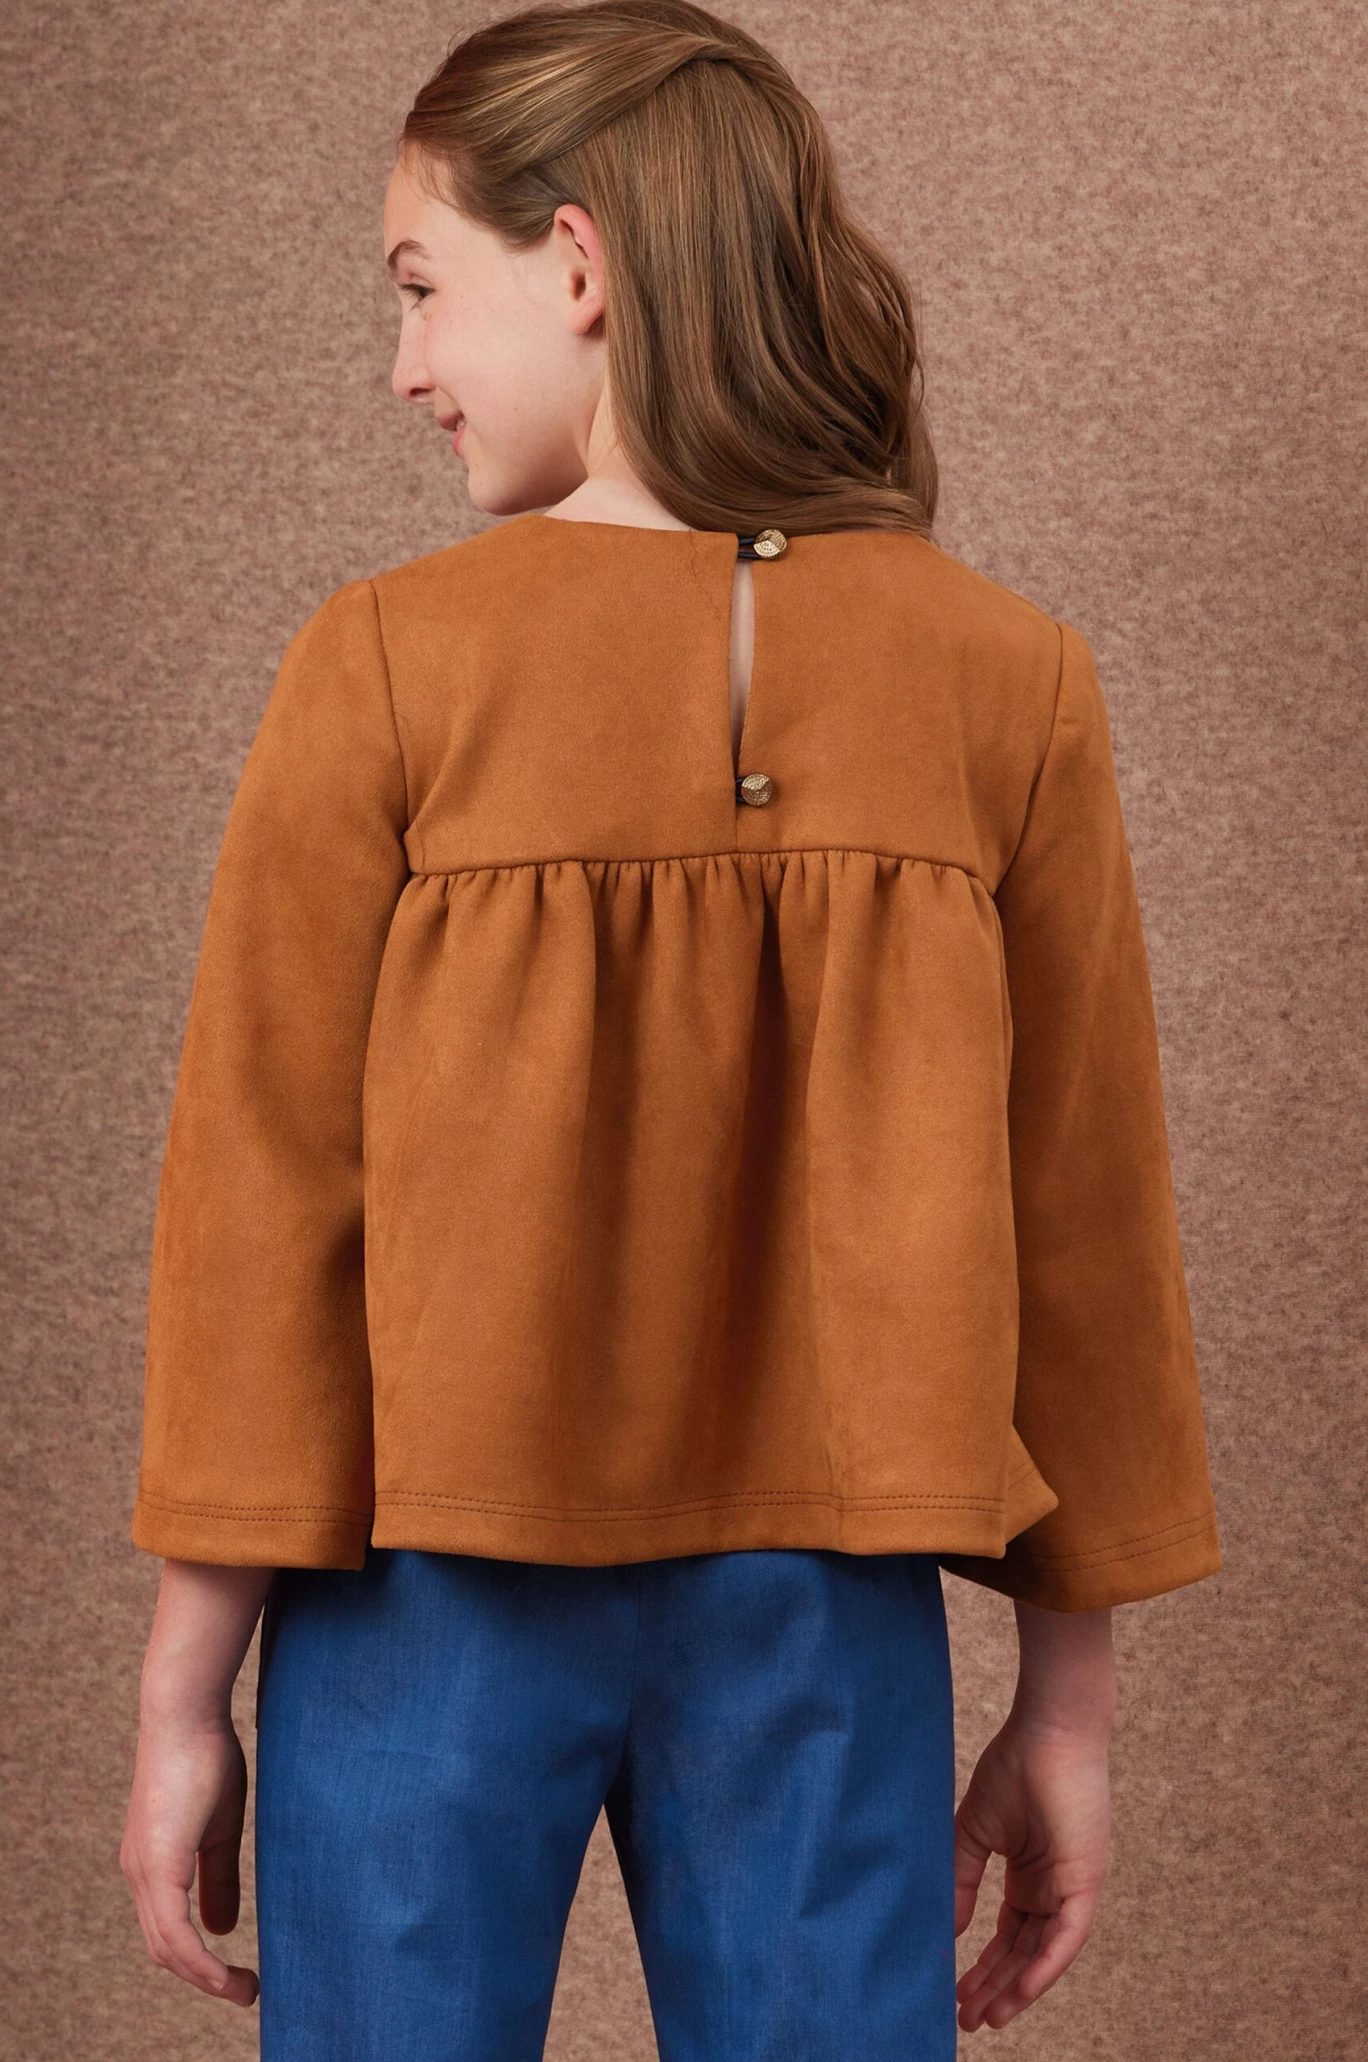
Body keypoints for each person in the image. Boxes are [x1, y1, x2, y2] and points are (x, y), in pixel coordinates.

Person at [118, 4, 1223, 2056]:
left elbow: (265, 1203)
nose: (404, 364)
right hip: (829, 1612)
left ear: (581, 263)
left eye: (421, 284)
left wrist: (186, 1686)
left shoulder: (383, 663)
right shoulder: (1010, 680)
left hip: (421, 1599)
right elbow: (1085, 1232)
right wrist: (1066, 1707)